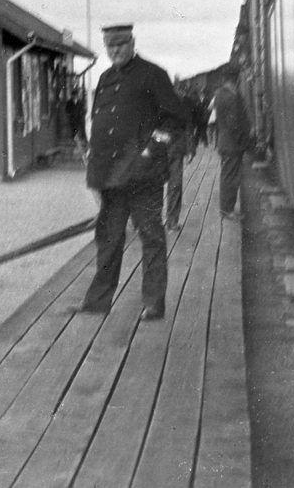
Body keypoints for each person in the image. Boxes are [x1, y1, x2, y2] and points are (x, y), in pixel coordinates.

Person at [80, 24, 188, 321]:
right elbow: (100, 121)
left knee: (151, 236)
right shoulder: (105, 78)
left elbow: (176, 119)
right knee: (109, 238)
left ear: (132, 43)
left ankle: (154, 303)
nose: (115, 51)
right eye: (110, 46)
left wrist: (151, 149)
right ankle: (97, 301)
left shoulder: (153, 75)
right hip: (111, 176)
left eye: (120, 45)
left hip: (144, 175)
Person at [212, 65, 252, 219]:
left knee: (227, 176)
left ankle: (226, 209)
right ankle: (227, 210)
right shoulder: (231, 96)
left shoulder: (219, 94)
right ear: (235, 78)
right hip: (232, 144)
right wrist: (245, 142)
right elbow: (234, 125)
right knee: (231, 178)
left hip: (224, 141)